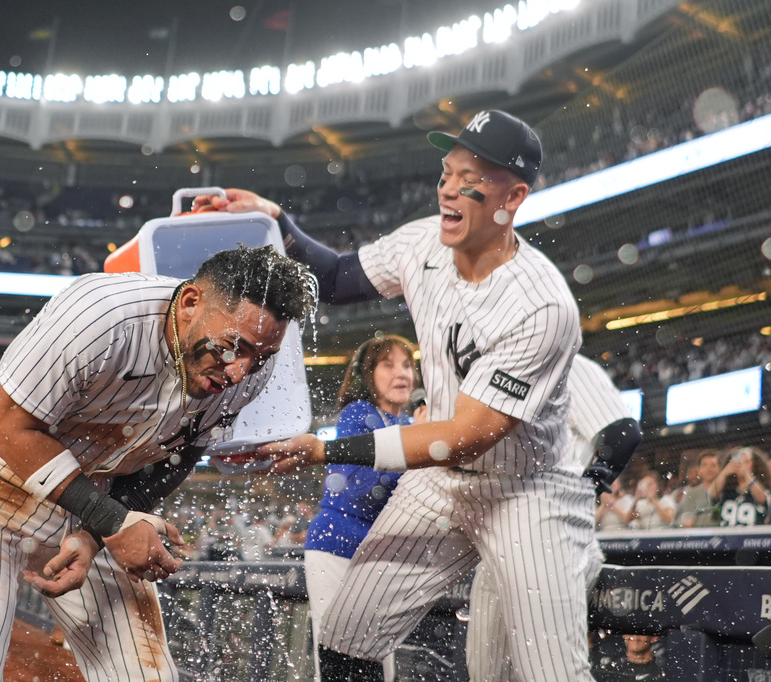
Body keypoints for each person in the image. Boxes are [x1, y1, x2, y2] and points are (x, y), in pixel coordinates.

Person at [199, 109, 601, 681]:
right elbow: (337, 278)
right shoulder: (422, 243)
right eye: (447, 172)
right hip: (440, 485)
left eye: (472, 179)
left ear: (513, 197)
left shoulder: (542, 305)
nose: (449, 190)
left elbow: (462, 438)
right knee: (346, 637)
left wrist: (324, 448)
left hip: (526, 492)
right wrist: (276, 218)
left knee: (550, 674)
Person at [0, 245, 316, 682]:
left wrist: (95, 533)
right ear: (190, 303)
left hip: (96, 503)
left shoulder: (250, 367)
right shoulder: (100, 316)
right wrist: (110, 521)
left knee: (147, 676)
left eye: (260, 357)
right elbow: (9, 428)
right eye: (233, 347)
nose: (242, 372)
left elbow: (180, 454)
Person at [466, 353, 642, 681]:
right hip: (500, 547)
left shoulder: (566, 364)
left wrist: (580, 490)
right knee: (488, 674)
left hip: (553, 545)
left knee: (553, 675)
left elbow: (622, 432)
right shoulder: (495, 374)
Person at [303, 334, 419, 681]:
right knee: (341, 655)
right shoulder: (358, 414)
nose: (401, 373)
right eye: (388, 364)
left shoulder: (409, 425)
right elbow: (360, 489)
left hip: (379, 555)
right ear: (369, 375)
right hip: (336, 547)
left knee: (379, 660)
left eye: (407, 365)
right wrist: (418, 459)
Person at [707, 446, 771, 527]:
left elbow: (763, 499)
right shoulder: (726, 490)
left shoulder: (763, 488)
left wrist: (747, 475)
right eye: (739, 461)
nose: (741, 465)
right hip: (726, 537)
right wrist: (725, 471)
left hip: (752, 538)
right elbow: (712, 494)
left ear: (754, 464)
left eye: (746, 462)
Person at [674, 450, 721, 528]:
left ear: (719, 468)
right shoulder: (691, 493)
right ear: (699, 470)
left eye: (713, 465)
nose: (709, 469)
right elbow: (686, 519)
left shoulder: (725, 492)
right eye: (705, 465)